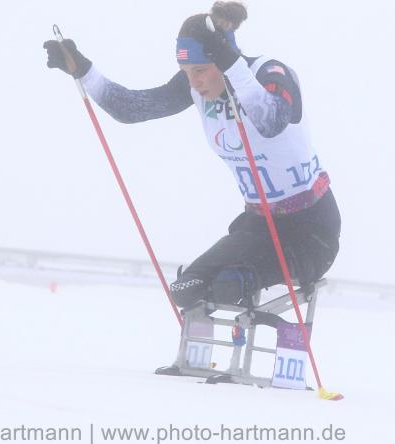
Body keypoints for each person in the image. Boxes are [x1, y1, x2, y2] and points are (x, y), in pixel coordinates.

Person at [44, 1, 341, 309]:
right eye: (186, 72)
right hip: (259, 226)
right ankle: (192, 358)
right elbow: (131, 108)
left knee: (229, 286)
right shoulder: (195, 87)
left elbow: (272, 121)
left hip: (312, 230)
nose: (194, 81)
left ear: (224, 59)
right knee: (187, 289)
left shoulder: (268, 72)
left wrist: (231, 63)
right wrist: (83, 70)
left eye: (200, 70)